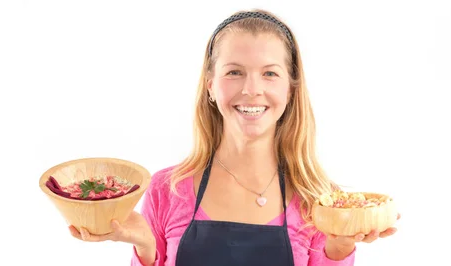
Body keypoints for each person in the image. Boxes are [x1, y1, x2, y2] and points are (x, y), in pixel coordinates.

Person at [68, 8, 400, 266]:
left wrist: (340, 246)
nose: (251, 90)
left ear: (291, 87)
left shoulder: (322, 201)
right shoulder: (168, 188)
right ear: (210, 84)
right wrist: (146, 247)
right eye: (234, 72)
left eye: (270, 73)